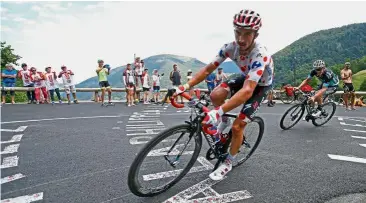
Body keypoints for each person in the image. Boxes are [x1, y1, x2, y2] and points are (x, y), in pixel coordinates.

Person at [173, 9, 274, 180]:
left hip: (260, 85)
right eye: (237, 33)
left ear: (255, 34)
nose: (241, 39)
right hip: (246, 77)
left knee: (238, 126)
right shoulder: (229, 48)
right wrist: (184, 86)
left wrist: (217, 111)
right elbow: (207, 70)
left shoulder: (260, 54)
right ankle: (224, 120)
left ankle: (228, 162)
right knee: (215, 94)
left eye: (247, 34)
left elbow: (248, 90)